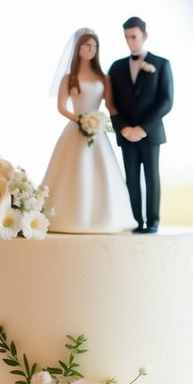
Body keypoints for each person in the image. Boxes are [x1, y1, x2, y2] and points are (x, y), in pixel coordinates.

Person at [42, 29, 134, 233]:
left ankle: (105, 217)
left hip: (98, 130)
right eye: (87, 45)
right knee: (71, 170)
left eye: (94, 46)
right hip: (75, 130)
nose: (91, 49)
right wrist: (81, 119)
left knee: (102, 173)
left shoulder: (103, 78)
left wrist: (119, 122)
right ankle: (68, 217)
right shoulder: (69, 78)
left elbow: (110, 106)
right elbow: (62, 107)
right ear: (79, 48)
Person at [108, 16, 174, 234]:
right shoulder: (116, 68)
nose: (130, 41)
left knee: (152, 177)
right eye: (126, 37)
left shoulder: (161, 64)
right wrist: (124, 128)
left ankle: (153, 220)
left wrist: (143, 128)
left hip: (151, 133)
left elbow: (166, 101)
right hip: (126, 134)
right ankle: (135, 219)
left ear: (144, 36)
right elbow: (112, 102)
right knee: (131, 178)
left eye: (134, 36)